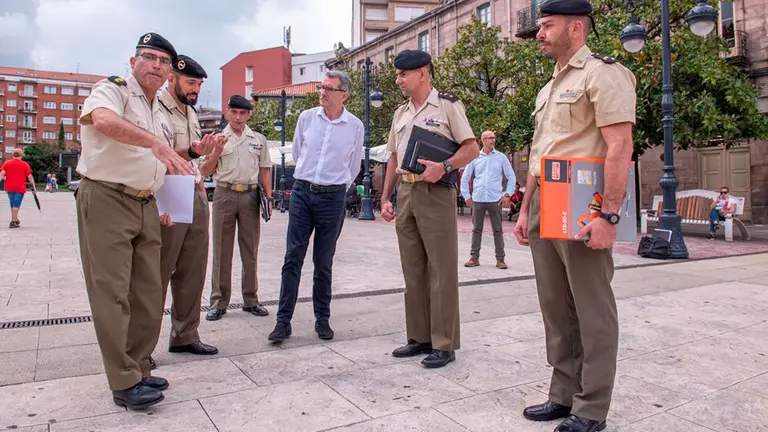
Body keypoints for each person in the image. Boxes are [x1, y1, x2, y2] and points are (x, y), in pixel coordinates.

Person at [513, 1, 637, 431]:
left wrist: (609, 216)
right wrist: (525, 207)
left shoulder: (604, 73)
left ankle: (591, 408)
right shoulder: (549, 87)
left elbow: (620, 147)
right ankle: (562, 395)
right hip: (546, 197)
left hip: (583, 201)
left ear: (577, 29)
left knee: (592, 309)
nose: (540, 34)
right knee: (556, 307)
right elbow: (540, 153)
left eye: (547, 26)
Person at [75, 32, 193, 410]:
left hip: (146, 203)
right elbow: (104, 122)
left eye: (163, 62)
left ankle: (139, 365)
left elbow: (159, 156)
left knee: (147, 293)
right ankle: (123, 381)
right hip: (108, 197)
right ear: (133, 62)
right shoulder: (114, 90)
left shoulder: (156, 108)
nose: (157, 66)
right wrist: (155, 145)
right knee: (112, 293)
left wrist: (187, 154)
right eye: (150, 57)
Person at [380, 50, 479, 368]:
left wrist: (445, 166)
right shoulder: (400, 113)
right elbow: (393, 158)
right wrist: (385, 197)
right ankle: (419, 337)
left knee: (441, 270)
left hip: (435, 192)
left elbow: (471, 148)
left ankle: (444, 343)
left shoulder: (448, 105)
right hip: (406, 192)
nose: (398, 80)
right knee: (413, 270)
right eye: (397, 75)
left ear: (422, 73)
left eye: (403, 74)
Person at [267, 71, 363, 343]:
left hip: (332, 198)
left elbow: (354, 165)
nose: (322, 92)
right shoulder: (307, 117)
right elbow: (298, 153)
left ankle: (322, 319)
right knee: (292, 258)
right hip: (302, 192)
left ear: (344, 94)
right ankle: (282, 322)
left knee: (323, 262)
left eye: (329, 89)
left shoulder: (354, 126)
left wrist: (336, 187)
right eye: (322, 87)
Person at [155, 54, 219, 356]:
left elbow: (196, 161)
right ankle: (142, 347)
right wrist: (193, 152)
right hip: (167, 191)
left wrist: (207, 161)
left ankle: (185, 334)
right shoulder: (157, 108)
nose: (195, 89)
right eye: (190, 82)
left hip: (193, 191)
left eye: (199, 84)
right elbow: (162, 154)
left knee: (193, 269)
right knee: (159, 270)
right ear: (173, 78)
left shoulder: (191, 113)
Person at [202, 94, 272, 321]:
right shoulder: (218, 138)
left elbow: (264, 169)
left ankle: (251, 299)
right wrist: (216, 152)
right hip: (224, 193)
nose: (238, 117)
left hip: (250, 194)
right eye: (234, 112)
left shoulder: (258, 139)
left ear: (249, 114)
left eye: (243, 113)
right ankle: (218, 302)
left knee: (250, 249)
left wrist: (269, 198)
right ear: (227, 112)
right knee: (221, 249)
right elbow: (205, 171)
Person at [460, 130, 516, 269]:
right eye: (490, 138)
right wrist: (466, 195)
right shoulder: (475, 158)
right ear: (483, 140)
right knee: (476, 229)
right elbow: (465, 177)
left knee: (498, 230)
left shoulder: (501, 157)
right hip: (478, 198)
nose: (493, 140)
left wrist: (507, 194)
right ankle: (474, 258)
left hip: (495, 199)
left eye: (494, 138)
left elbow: (511, 176)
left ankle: (500, 259)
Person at [0, 148, 36, 228]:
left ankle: (15, 219)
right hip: (20, 188)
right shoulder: (24, 164)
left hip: (9, 187)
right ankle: (13, 222)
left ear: (13, 155)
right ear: (22, 155)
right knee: (16, 204)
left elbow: (2, 174)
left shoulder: (7, 163)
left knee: (13, 204)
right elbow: (30, 177)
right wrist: (33, 187)